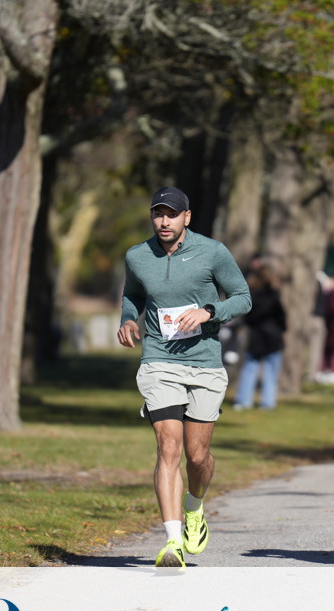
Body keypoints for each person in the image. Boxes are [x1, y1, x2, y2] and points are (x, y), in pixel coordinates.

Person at [117, 186, 252, 568]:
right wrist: (128, 318)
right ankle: (172, 541)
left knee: (197, 455)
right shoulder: (137, 256)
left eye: (172, 214)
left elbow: (242, 297)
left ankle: (195, 505)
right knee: (168, 447)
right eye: (158, 213)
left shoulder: (213, 252)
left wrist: (209, 311)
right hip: (159, 361)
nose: (164, 221)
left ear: (186, 217)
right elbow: (133, 294)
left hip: (205, 363)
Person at [233, 260, 287, 410]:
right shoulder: (274, 295)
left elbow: (247, 317)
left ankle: (243, 400)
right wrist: (283, 328)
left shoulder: (251, 296)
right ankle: (268, 402)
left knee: (250, 368)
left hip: (256, 336)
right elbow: (281, 316)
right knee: (271, 371)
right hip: (273, 336)